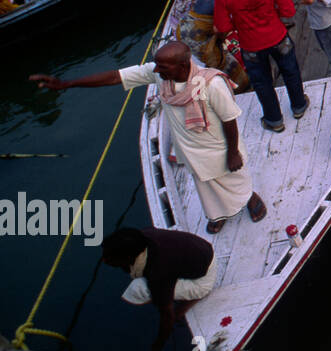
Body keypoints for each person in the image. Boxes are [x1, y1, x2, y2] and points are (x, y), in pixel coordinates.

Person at [31, 41, 266, 235]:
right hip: (191, 150)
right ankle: (218, 214)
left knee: (236, 179)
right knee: (205, 186)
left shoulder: (212, 84)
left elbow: (229, 119)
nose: (156, 70)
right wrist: (67, 84)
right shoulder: (161, 76)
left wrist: (233, 152)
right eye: (157, 65)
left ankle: (249, 198)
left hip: (220, 147)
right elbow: (116, 77)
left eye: (163, 66)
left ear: (183, 64)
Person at [214, 0, 309, 132]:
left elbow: (223, 27)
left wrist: (240, 23)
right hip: (278, 37)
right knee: (291, 71)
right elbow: (289, 10)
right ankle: (299, 107)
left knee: (262, 83)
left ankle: (274, 120)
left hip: (250, 45)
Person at [100, 227, 217, 351]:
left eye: (110, 257)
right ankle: (178, 286)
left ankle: (195, 295)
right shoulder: (143, 235)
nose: (104, 260)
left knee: (140, 288)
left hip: (202, 279)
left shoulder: (158, 272)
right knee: (152, 282)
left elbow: (167, 318)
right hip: (201, 250)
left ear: (130, 257)